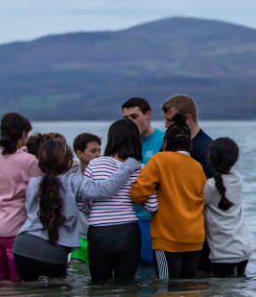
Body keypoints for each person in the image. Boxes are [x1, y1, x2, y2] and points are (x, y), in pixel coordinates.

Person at [13, 137, 142, 280]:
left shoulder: (33, 183)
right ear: (68, 161)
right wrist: (128, 165)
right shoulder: (73, 181)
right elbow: (104, 189)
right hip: (53, 250)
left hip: (22, 247)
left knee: (29, 294)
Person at [79, 119, 157, 282]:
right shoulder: (141, 169)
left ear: (112, 139)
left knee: (98, 285)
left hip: (98, 232)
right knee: (126, 286)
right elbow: (151, 205)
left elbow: (81, 200)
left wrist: (95, 211)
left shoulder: (94, 164)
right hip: (128, 232)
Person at [131, 114, 206, 279]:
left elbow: (139, 192)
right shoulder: (197, 166)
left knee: (166, 288)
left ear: (165, 144)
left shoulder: (159, 160)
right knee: (187, 288)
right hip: (195, 237)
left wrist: (150, 203)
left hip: (168, 238)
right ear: (190, 145)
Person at [0, 112, 41, 281]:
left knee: (0, 280)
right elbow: (39, 190)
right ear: (22, 134)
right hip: (14, 229)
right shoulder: (29, 161)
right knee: (17, 282)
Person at [122, 97, 164, 267]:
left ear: (148, 114)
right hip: (126, 220)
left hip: (153, 220)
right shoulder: (122, 145)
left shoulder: (164, 140)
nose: (130, 122)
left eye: (134, 116)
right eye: (126, 119)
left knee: (151, 274)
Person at [204, 138, 252, 277]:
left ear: (211, 158)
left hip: (224, 253)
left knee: (222, 296)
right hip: (244, 250)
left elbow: (192, 204)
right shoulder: (238, 179)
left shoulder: (209, 186)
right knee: (236, 293)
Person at [68, 133, 102, 263]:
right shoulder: (72, 171)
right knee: (76, 275)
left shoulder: (105, 176)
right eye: (93, 151)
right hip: (79, 238)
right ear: (79, 153)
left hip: (99, 237)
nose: (98, 154)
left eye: (99, 150)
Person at [162, 94, 214, 178]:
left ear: (187, 118)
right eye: (166, 120)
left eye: (170, 120)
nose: (166, 125)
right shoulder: (167, 144)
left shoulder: (207, 149)